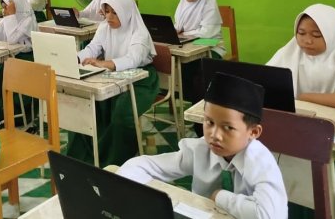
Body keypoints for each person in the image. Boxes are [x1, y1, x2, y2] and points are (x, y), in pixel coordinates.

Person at [118, 72, 288, 219]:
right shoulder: (200, 149)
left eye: (228, 128)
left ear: (254, 132)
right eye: (209, 122)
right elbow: (138, 166)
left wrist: (220, 196)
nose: (215, 135)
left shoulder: (260, 162)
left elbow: (270, 215)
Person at [66, 0, 159, 167]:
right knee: (85, 108)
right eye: (107, 11)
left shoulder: (139, 33)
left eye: (115, 13)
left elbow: (133, 60)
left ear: (126, 13)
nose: (109, 17)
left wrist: (104, 63)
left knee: (121, 115)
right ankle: (84, 158)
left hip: (141, 79)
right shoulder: (104, 27)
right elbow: (92, 48)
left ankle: (114, 162)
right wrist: (75, 58)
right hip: (111, 76)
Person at [267, 3, 335, 113]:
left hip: (333, 119)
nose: (307, 41)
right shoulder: (289, 52)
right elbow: (262, 85)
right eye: (301, 33)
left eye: (316, 35)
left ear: (333, 34)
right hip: (293, 117)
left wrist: (306, 97)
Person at [174, 0, 224, 105]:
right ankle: (190, 103)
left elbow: (207, 33)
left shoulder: (209, 6)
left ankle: (201, 106)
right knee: (182, 66)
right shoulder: (183, 4)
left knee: (197, 71)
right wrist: (175, 30)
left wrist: (185, 34)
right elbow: (179, 26)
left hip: (211, 48)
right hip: (190, 47)